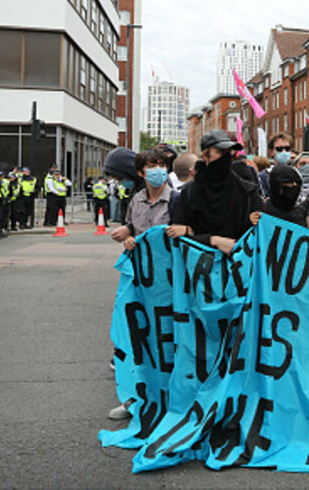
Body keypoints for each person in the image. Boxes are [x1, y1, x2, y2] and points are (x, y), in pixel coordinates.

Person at [107, 148, 178, 420]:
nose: (158, 170)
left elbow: (187, 235)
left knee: (167, 341)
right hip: (140, 279)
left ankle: (170, 399)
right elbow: (131, 227)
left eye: (161, 165)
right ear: (140, 172)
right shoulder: (136, 199)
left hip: (168, 283)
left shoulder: (177, 200)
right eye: (151, 166)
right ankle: (135, 398)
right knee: (138, 339)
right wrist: (126, 234)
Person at [169, 131, 261, 254]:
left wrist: (251, 222)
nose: (225, 157)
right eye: (219, 152)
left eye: (228, 152)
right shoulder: (189, 194)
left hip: (239, 266)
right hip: (199, 267)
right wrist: (212, 240)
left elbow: (259, 236)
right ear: (205, 156)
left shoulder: (247, 192)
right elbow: (177, 238)